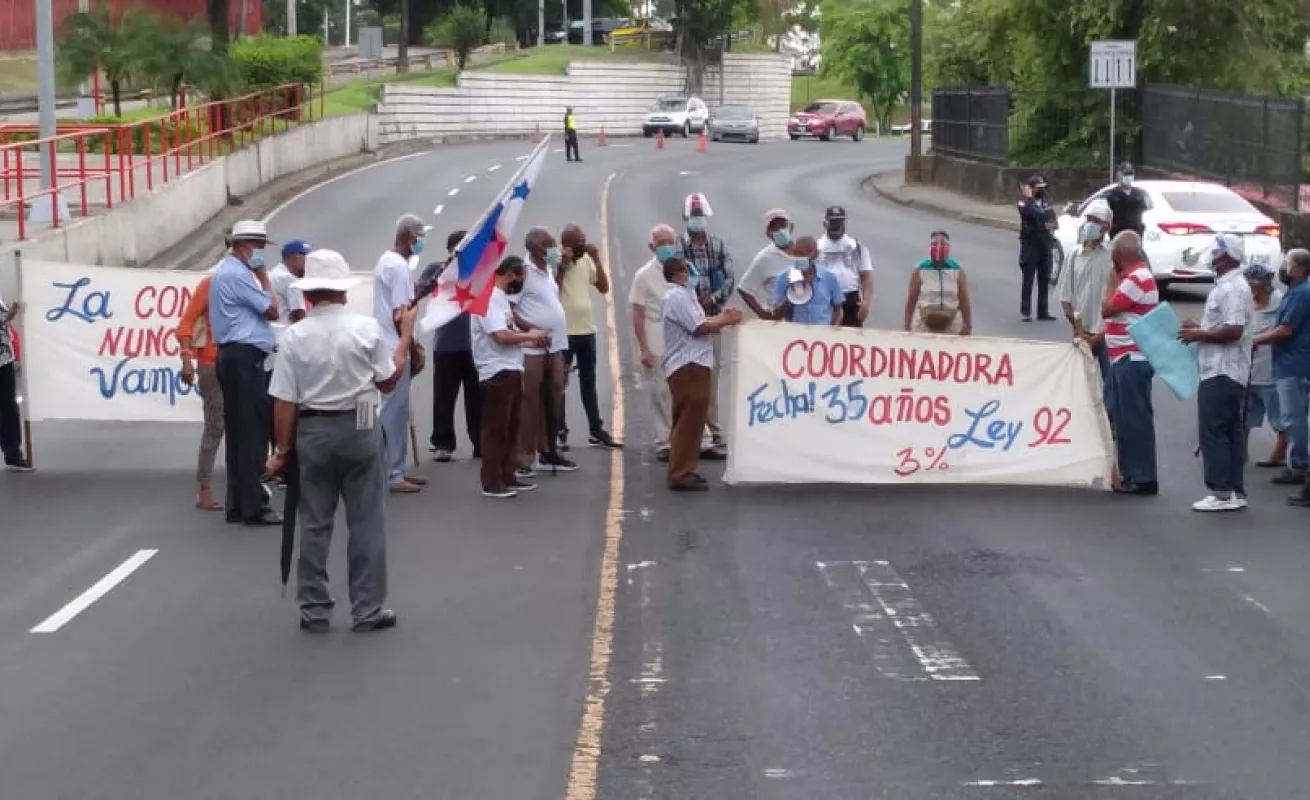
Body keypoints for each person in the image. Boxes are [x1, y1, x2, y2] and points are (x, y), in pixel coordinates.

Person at [265, 249, 414, 634]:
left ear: (309, 295)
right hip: (359, 428)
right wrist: (406, 338)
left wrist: (281, 452)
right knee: (366, 523)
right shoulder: (365, 329)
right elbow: (387, 381)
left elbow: (284, 400)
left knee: (314, 523)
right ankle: (366, 609)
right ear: (343, 292)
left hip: (313, 431)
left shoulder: (294, 336)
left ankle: (314, 609)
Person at [211, 219, 281, 526]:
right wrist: (264, 277)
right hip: (245, 356)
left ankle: (238, 503)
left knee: (240, 434)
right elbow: (272, 309)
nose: (260, 252)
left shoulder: (226, 273)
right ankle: (255, 505)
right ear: (245, 244)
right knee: (252, 434)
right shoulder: (238, 275)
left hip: (233, 356)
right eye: (259, 245)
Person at [1179, 234, 1253, 511]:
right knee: (1230, 431)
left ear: (1226, 257)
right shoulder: (1228, 285)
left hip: (1222, 370)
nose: (1211, 256)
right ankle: (1233, 490)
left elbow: (1234, 329)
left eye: (1216, 252)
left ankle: (1221, 491)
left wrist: (1200, 333)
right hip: (1225, 370)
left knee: (1214, 430)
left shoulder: (1232, 287)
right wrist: (1200, 327)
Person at [660, 254, 743, 492]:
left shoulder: (684, 295)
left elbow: (700, 320)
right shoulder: (676, 296)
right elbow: (698, 327)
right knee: (690, 419)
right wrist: (726, 320)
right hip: (688, 365)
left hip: (693, 363)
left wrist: (722, 317)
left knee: (689, 420)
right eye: (687, 270)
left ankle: (683, 468)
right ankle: (680, 474)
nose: (692, 274)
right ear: (677, 274)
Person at [472, 256, 550, 499]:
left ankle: (508, 473)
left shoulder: (500, 297)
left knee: (511, 426)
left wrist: (530, 332)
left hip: (511, 366)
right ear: (510, 273)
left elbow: (512, 325)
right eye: (519, 278)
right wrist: (529, 338)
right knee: (496, 428)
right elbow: (500, 337)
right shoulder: (487, 298)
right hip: (497, 369)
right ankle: (491, 480)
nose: (519, 283)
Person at [373, 214, 430, 494]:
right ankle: (392, 473)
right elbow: (400, 314)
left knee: (397, 409)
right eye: (420, 235)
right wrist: (408, 346)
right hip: (395, 345)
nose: (421, 241)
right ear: (409, 236)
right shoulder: (397, 267)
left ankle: (397, 467)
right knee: (393, 412)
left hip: (388, 344)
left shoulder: (388, 261)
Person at [1102, 230, 1161, 496]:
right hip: (1124, 357)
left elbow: (1107, 307)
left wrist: (1112, 282)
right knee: (1122, 417)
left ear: (1118, 255)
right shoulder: (1137, 276)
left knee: (1133, 419)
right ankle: (1132, 473)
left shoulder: (1135, 278)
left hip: (1131, 357)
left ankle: (1141, 476)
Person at [177, 239, 232, 510]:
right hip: (211, 363)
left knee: (245, 426)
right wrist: (187, 360)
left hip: (241, 364)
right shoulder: (210, 285)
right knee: (215, 425)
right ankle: (204, 488)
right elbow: (185, 324)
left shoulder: (249, 284)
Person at [517, 227, 577, 474]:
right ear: (532, 249)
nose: (552, 248)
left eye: (553, 244)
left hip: (555, 347)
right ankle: (523, 458)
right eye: (547, 245)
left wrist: (561, 268)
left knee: (554, 399)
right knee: (530, 404)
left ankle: (549, 451)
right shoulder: (523, 273)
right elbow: (510, 310)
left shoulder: (547, 270)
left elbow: (552, 298)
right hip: (532, 351)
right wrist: (532, 331)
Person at [558, 224, 621, 449]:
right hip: (564, 332)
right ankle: (559, 428)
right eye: (577, 242)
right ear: (565, 244)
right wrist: (563, 264)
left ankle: (596, 429)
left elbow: (603, 288)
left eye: (583, 241)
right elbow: (553, 288)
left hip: (586, 330)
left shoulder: (586, 260)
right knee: (559, 383)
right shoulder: (556, 261)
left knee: (589, 381)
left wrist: (596, 259)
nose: (581, 246)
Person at [678, 193, 732, 455]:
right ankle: (690, 431)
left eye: (700, 216)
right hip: (686, 323)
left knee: (711, 376)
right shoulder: (678, 248)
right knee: (687, 376)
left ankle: (713, 430)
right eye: (693, 216)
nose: (697, 221)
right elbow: (672, 281)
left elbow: (729, 278)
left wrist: (713, 297)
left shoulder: (719, 247)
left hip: (713, 317)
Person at [1254, 249, 1310, 502]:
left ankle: (1298, 465)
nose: (1283, 269)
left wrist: (1254, 340)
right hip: (1292, 362)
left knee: (1293, 418)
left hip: (1294, 364)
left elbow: (1285, 330)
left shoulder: (1300, 294)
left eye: (1287, 264)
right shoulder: (1295, 293)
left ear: (1299, 268)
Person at [424, 230, 482, 463]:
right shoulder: (436, 270)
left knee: (477, 398)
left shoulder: (478, 272)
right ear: (450, 250)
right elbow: (422, 288)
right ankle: (442, 443)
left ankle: (480, 442)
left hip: (475, 345)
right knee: (444, 398)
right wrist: (445, 268)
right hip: (446, 345)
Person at [1057, 199, 1115, 416]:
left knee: (1111, 383)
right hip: (1082, 331)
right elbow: (1065, 298)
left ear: (1106, 227)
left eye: (1095, 221)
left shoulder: (1112, 256)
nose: (1089, 224)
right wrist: (1079, 330)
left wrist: (1101, 333)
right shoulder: (1074, 254)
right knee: (1079, 381)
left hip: (1108, 334)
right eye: (1088, 219)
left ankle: (1109, 425)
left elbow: (1119, 300)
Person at [1245, 265, 1287, 469]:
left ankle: (1279, 454)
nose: (1252, 289)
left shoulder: (1279, 301)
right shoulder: (1247, 300)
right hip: (1247, 370)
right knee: (1243, 414)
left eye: (1254, 285)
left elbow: (1284, 331)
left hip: (1270, 369)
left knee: (1278, 416)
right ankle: (1239, 452)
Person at [904, 230, 973, 336]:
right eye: (934, 244)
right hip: (924, 323)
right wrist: (907, 327)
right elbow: (911, 300)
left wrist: (968, 325)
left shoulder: (957, 270)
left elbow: (964, 300)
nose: (939, 247)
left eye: (943, 244)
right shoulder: (920, 269)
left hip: (951, 323)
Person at [816, 206, 874, 327]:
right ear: (825, 223)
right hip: (826, 299)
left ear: (845, 223)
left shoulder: (856, 246)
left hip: (851, 298)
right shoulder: (816, 248)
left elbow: (866, 276)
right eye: (832, 221)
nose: (836, 225)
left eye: (839, 221)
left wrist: (866, 303)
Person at [770, 235, 843, 326]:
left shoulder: (830, 278)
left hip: (822, 334)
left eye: (803, 254)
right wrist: (790, 296)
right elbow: (776, 316)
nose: (798, 257)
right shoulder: (783, 278)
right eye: (796, 253)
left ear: (816, 254)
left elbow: (838, 311)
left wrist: (833, 330)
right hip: (795, 334)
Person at [736, 208, 794, 319]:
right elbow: (744, 288)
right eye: (774, 228)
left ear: (791, 227)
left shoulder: (805, 251)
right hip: (780, 321)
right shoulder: (765, 257)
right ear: (768, 234)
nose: (780, 230)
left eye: (783, 225)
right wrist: (763, 314)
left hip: (805, 317)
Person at [1018, 173, 1056, 322]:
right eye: (1038, 188)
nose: (1041, 191)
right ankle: (1026, 311)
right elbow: (1032, 214)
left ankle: (1043, 311)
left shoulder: (1047, 204)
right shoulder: (1024, 203)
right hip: (1030, 245)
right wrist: (1029, 199)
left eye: (1042, 188)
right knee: (1028, 279)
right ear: (1030, 189)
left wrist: (1044, 222)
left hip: (1045, 245)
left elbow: (1053, 222)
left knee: (1044, 279)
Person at [0, 287, 30, 472]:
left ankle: (12, 454)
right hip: (3, 361)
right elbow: (3, 319)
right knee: (8, 408)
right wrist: (14, 310)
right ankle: (12, 454)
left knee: (7, 408)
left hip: (5, 359)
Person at [269, 239, 311, 325]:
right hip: (286, 331)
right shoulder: (289, 279)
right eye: (306, 257)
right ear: (293, 258)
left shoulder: (273, 274)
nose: (309, 261)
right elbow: (298, 314)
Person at [1106, 162, 1149, 239]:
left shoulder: (1140, 193)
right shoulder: (1112, 194)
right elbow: (1106, 214)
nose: (1128, 177)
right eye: (1126, 174)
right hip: (1118, 235)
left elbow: (1148, 207)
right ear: (1119, 174)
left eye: (1130, 174)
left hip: (1136, 234)